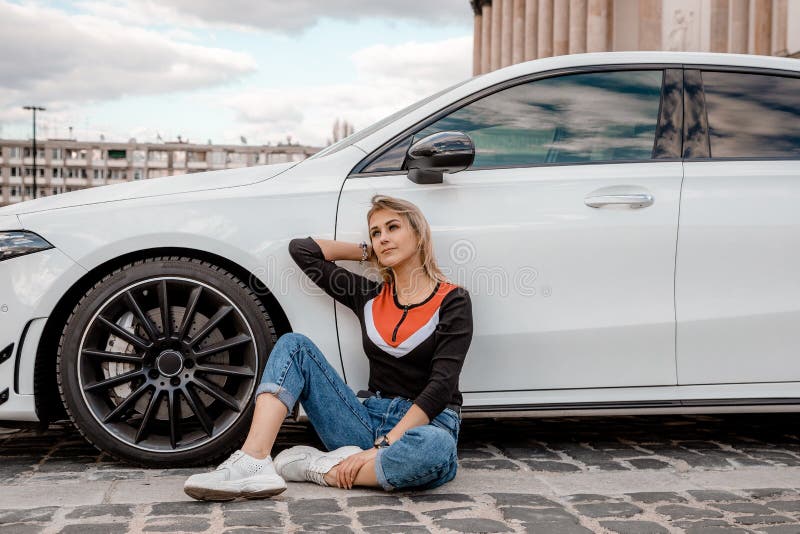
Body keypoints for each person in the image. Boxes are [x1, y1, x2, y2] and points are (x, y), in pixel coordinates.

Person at [184, 194, 473, 500]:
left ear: (418, 234)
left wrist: (383, 447)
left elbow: (442, 386)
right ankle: (253, 460)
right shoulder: (367, 295)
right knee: (294, 346)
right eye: (376, 233)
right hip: (364, 420)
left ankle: (321, 469)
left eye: (393, 228)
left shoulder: (453, 301)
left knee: (435, 449)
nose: (384, 238)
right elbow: (303, 251)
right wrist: (368, 252)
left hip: (426, 425)